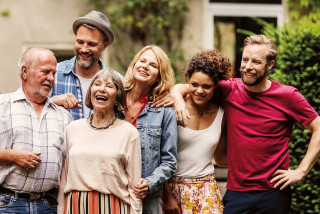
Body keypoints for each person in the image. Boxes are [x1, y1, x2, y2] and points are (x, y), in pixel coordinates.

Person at [173, 35, 320, 213]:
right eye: (245, 60)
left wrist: (301, 171)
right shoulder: (228, 90)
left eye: (256, 62)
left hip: (273, 193)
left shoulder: (288, 96)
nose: (248, 66)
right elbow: (193, 85)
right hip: (236, 193)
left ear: (270, 64)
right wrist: (177, 97)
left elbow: (318, 127)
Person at [58, 68, 142, 214]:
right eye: (97, 84)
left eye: (109, 86)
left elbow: (134, 185)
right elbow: (64, 179)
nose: (102, 89)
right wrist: (60, 210)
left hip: (114, 207)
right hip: (75, 207)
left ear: (117, 97)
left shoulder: (129, 133)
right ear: (91, 92)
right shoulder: (72, 129)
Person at [0, 48, 72, 213]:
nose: (51, 78)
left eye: (53, 73)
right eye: (45, 72)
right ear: (25, 72)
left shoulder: (64, 116)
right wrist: (13, 156)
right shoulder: (2, 105)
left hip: (49, 205)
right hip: (8, 204)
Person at [162, 50, 232, 214]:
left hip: (207, 190)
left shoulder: (222, 114)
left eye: (206, 86)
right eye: (194, 85)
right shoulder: (173, 106)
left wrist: (254, 158)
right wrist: (167, 196)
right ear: (188, 82)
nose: (199, 91)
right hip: (173, 189)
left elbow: (221, 158)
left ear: (215, 86)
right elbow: (158, 155)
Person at [118, 45, 178, 214]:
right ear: (134, 64)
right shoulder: (114, 98)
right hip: (113, 192)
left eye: (153, 65)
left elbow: (169, 161)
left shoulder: (164, 109)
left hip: (148, 198)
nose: (145, 66)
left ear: (160, 76)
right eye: (142, 61)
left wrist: (150, 183)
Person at [50, 10, 123, 120]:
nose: (84, 49)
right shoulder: (53, 73)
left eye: (91, 44)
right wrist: (51, 102)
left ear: (104, 45)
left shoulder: (119, 82)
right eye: (80, 42)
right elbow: (27, 108)